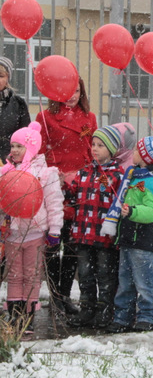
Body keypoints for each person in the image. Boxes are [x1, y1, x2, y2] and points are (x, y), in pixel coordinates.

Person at [36, 77, 96, 316]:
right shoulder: (45, 117)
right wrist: (51, 173)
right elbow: (38, 152)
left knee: (72, 246)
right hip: (55, 187)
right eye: (69, 90)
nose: (73, 96)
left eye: (77, 90)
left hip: (79, 189)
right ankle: (54, 296)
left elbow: (92, 151)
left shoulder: (89, 118)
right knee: (53, 244)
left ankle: (65, 294)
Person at [0, 122, 63, 337]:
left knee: (32, 275)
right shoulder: (6, 171)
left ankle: (28, 316)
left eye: (20, 146)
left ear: (32, 147)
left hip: (35, 233)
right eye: (13, 146)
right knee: (14, 275)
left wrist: (55, 230)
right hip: (12, 233)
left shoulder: (45, 173)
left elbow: (54, 203)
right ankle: (14, 314)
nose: (15, 150)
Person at [103, 136, 153, 333]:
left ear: (146, 157)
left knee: (144, 282)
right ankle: (123, 316)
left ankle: (147, 316)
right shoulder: (133, 176)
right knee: (125, 281)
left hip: (142, 241)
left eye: (136, 151)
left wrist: (132, 211)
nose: (132, 153)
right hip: (127, 239)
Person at [64, 126, 125, 329]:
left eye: (101, 145)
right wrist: (63, 186)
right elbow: (72, 196)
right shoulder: (83, 173)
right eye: (93, 144)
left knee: (106, 275)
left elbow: (121, 202)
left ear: (112, 149)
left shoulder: (118, 175)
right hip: (83, 233)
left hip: (104, 236)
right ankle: (87, 309)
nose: (95, 149)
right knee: (85, 275)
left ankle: (105, 309)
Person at [0, 56, 31, 163]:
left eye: (1, 76)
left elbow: (25, 137)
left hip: (10, 162)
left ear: (8, 78)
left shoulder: (18, 104)